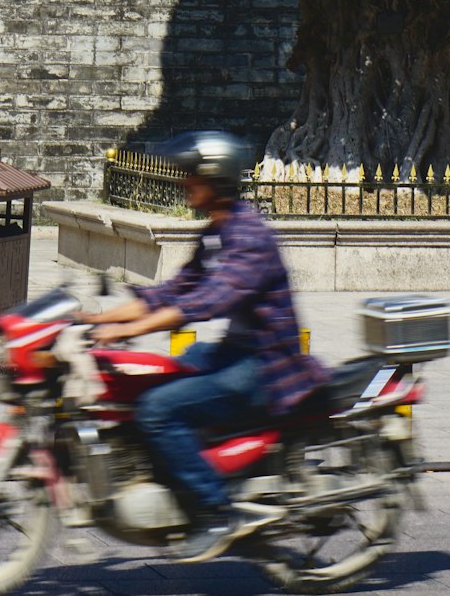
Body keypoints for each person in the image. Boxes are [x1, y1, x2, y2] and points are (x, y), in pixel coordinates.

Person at [82, 129, 326, 563]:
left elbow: (205, 302)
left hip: (266, 366)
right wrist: (95, 319)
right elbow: (174, 290)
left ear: (215, 179)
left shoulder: (248, 236)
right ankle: (178, 475)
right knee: (160, 374)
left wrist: (125, 331)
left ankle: (215, 512)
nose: (182, 183)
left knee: (158, 409)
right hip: (234, 352)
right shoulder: (217, 230)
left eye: (191, 176)